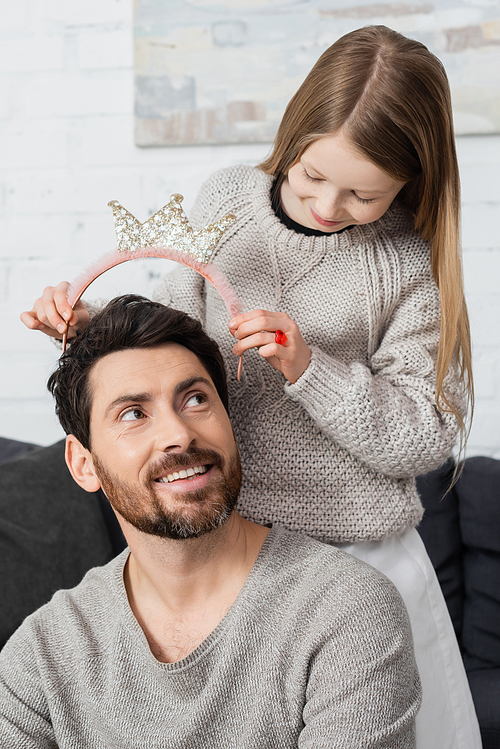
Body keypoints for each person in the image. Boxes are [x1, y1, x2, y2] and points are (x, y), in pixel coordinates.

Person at [20, 26, 480, 747]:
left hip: (358, 557)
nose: (327, 206)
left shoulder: (404, 262)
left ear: (410, 181)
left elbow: (423, 434)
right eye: (309, 175)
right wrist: (92, 322)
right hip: (236, 551)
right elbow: (176, 324)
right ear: (292, 135)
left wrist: (310, 370)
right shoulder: (230, 197)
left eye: (363, 193)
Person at [0, 295, 421, 748]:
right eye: (133, 414)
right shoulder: (42, 653)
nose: (179, 434)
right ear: (83, 464)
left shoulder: (347, 611)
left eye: (195, 399)